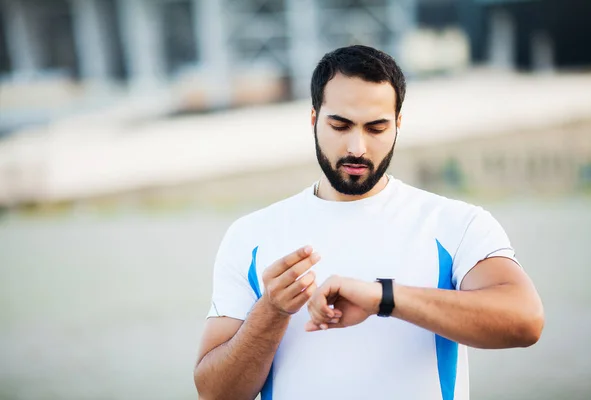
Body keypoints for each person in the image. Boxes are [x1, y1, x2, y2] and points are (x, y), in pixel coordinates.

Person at [193, 45, 544, 400]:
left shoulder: (455, 223)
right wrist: (270, 311)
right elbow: (214, 393)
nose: (357, 147)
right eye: (340, 125)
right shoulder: (251, 235)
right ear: (314, 119)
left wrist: (385, 297)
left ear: (398, 125)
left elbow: (525, 321)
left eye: (376, 128)